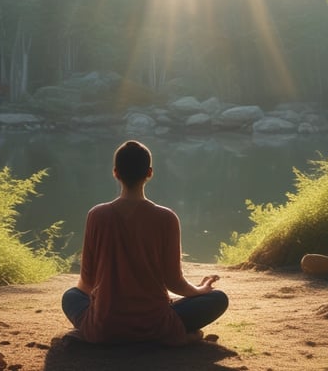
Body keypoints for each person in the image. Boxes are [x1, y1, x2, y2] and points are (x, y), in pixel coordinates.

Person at [61, 140, 228, 345]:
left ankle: (97, 332)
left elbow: (87, 283)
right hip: (155, 324)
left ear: (116, 173)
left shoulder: (97, 215)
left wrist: (101, 301)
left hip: (105, 326)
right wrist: (201, 290)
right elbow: (174, 282)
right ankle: (172, 336)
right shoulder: (166, 218)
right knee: (218, 298)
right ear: (149, 173)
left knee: (70, 296)